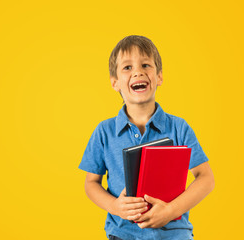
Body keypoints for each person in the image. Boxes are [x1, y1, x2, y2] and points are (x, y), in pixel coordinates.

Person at [78, 35, 215, 240]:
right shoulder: (104, 132)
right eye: (127, 67)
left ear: (159, 77)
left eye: (145, 65)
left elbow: (206, 179)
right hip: (123, 234)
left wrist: (170, 210)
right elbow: (91, 183)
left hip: (174, 235)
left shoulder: (179, 128)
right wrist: (114, 206)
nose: (138, 72)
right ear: (115, 83)